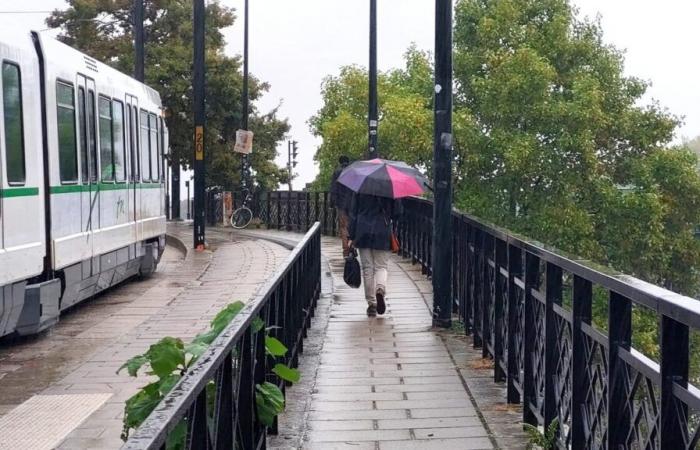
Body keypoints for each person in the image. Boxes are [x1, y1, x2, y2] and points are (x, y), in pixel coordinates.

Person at [348, 194, 400, 316]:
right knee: (381, 266)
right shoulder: (389, 189)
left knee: (368, 268)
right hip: (382, 230)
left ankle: (372, 304)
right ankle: (380, 289)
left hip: (362, 231)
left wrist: (351, 235)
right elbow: (398, 212)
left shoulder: (361, 188)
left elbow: (353, 213)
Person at [330, 155, 353, 256]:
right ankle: (352, 246)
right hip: (353, 203)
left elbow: (333, 188)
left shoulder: (337, 172)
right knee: (352, 225)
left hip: (341, 204)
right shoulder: (353, 171)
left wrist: (333, 202)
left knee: (343, 226)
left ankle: (346, 249)